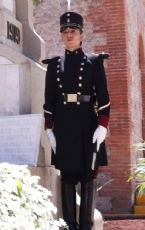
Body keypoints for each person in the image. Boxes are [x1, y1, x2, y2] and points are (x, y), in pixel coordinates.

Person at [42, 12, 110, 230]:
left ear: (82, 35)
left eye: (73, 31)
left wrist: (103, 125)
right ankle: (70, 225)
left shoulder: (93, 62)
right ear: (61, 36)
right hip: (64, 127)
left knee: (88, 176)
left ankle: (85, 226)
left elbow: (103, 97)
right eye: (65, 32)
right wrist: (49, 130)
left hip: (88, 126)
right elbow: (49, 102)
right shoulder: (54, 65)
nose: (69, 35)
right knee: (67, 177)